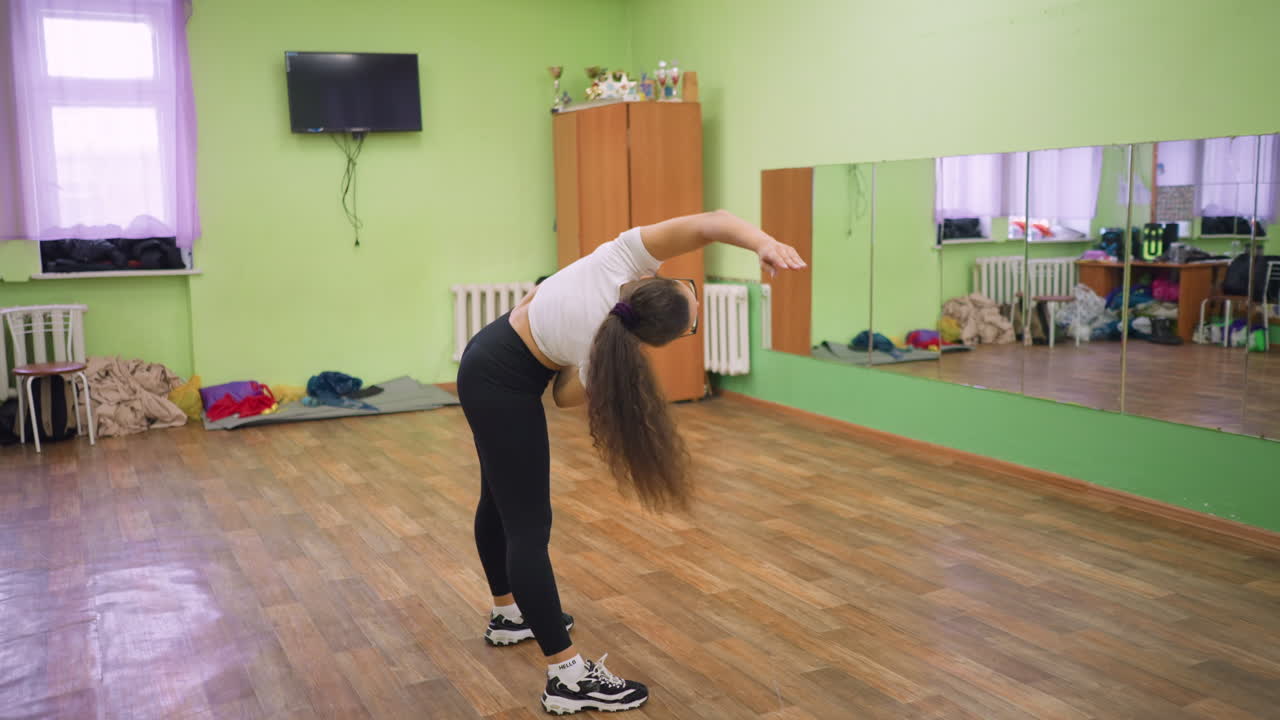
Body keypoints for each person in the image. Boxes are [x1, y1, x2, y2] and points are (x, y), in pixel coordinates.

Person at [455, 210, 806, 714]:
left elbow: (711, 222)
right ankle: (567, 676)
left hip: (489, 352)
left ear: (649, 281)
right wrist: (582, 357)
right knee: (529, 528)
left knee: (501, 500)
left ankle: (509, 615)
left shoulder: (616, 258)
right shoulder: (606, 348)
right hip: (502, 385)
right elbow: (563, 396)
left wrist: (763, 243)